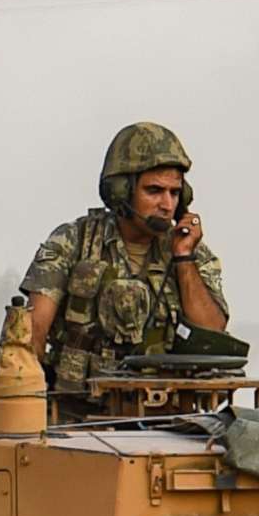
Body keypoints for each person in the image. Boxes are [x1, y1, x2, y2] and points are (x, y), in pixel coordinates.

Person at [20, 122, 228, 418]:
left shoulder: (190, 252)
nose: (167, 204)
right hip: (74, 419)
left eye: (174, 193)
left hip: (165, 420)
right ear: (120, 191)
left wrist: (183, 259)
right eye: (154, 191)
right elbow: (33, 332)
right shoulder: (73, 242)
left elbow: (212, 333)